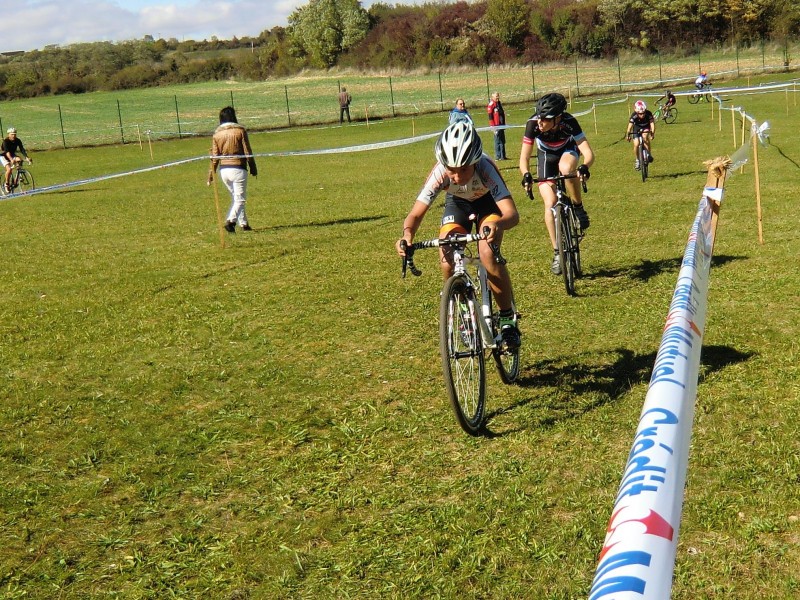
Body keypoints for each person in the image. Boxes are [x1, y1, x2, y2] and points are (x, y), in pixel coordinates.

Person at [395, 122, 521, 349]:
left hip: (487, 205)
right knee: (446, 255)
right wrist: (407, 236)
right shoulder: (441, 172)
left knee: (487, 253)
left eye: (463, 169)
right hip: (457, 206)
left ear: (474, 162)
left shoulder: (485, 167)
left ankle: (506, 319)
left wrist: (498, 225)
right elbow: (416, 213)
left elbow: (511, 214)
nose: (456, 175)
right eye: (451, 169)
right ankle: (461, 306)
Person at [519, 92, 593, 276]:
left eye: (545, 119)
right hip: (546, 157)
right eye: (539, 117)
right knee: (549, 202)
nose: (540, 122)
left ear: (558, 118)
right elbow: (524, 157)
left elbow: (588, 153)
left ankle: (578, 206)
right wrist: (526, 174)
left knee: (566, 168)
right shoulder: (532, 125)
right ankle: (557, 252)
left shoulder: (569, 122)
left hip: (567, 150)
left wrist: (584, 166)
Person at [207, 106, 258, 233]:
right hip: (238, 168)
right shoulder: (240, 131)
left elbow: (214, 157)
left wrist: (211, 175)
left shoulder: (217, 134)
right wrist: (253, 166)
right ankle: (231, 221)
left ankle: (244, 224)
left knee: (236, 198)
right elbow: (247, 151)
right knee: (240, 199)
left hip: (224, 171)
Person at [625, 100, 655, 170]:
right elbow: (629, 127)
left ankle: (648, 154)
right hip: (637, 128)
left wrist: (652, 133)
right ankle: (637, 160)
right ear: (637, 112)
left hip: (646, 127)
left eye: (643, 113)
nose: (642, 115)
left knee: (645, 137)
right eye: (640, 114)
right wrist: (628, 135)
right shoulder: (634, 116)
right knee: (636, 144)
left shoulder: (649, 114)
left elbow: (652, 124)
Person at [1, 127, 32, 193]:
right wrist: (11, 159)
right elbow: (7, 152)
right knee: (9, 169)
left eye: (14, 134)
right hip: (3, 155)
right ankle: (6, 184)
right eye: (12, 134)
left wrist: (27, 157)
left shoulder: (17, 140)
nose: (13, 136)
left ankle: (18, 177)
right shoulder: (5, 142)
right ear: (8, 134)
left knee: (19, 159)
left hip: (12, 154)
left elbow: (22, 149)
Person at [486, 91, 508, 160]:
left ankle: (503, 156)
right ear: (492, 97)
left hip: (501, 125)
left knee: (502, 140)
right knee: (497, 141)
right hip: (496, 126)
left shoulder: (499, 103)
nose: (498, 97)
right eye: (496, 96)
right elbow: (490, 117)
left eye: (498, 96)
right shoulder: (491, 104)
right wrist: (493, 127)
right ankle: (498, 157)